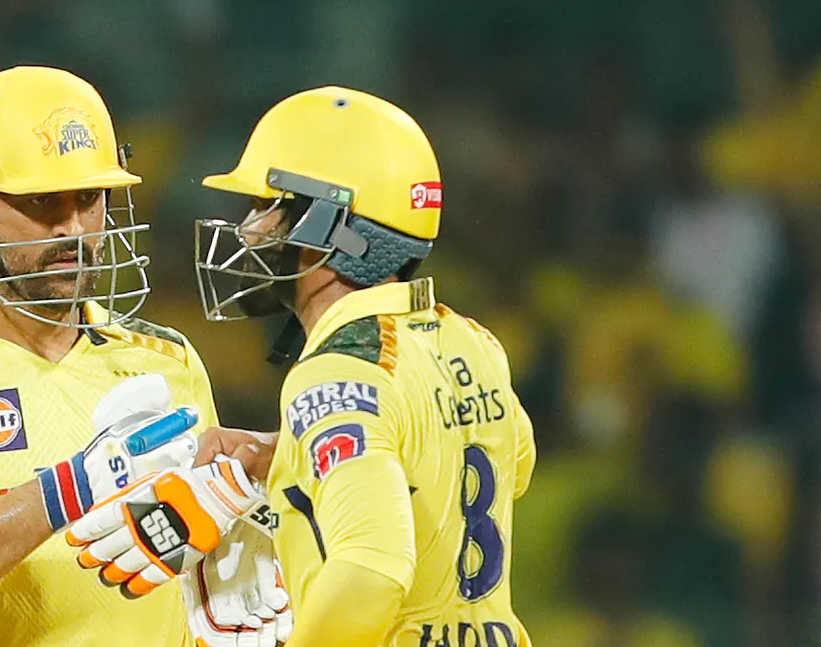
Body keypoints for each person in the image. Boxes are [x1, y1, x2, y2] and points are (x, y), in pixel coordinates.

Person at [70, 86, 536, 646]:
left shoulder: (336, 371)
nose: (248, 229)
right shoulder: (472, 340)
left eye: (265, 206)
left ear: (327, 224)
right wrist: (288, 455)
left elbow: (369, 575)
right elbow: (509, 466)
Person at [0, 65, 277, 646]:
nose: (76, 228)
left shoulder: (168, 359)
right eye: (43, 202)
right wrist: (73, 487)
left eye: (89, 199)